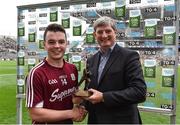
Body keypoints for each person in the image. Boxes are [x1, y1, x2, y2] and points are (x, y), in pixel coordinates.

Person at [84, 16, 147, 124]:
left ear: (115, 32)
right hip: (96, 120)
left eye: (108, 31)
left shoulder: (129, 56)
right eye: (100, 32)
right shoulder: (91, 60)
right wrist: (81, 104)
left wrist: (104, 97)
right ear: (95, 35)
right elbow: (90, 90)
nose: (104, 35)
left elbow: (139, 92)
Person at [25, 23, 86, 124]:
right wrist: (71, 113)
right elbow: (35, 114)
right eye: (51, 42)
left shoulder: (72, 69)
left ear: (66, 44)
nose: (57, 46)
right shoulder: (36, 73)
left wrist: (83, 97)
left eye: (61, 42)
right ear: (44, 45)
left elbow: (73, 98)